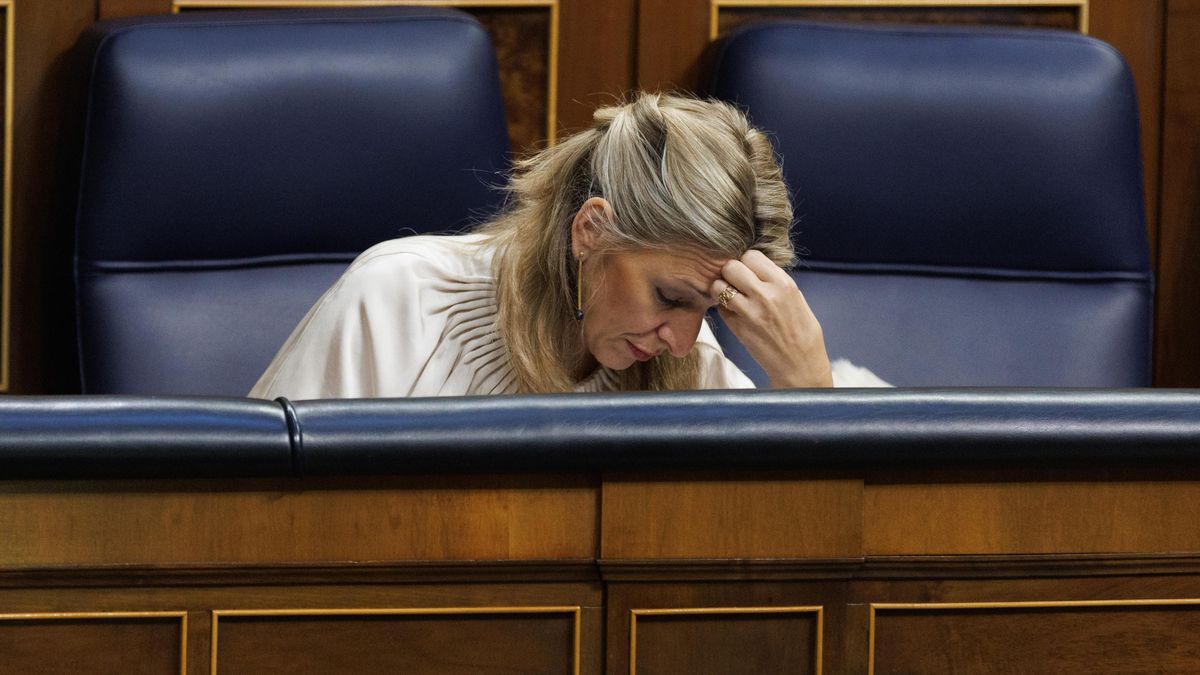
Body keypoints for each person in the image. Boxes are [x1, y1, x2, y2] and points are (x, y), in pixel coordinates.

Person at [250, 92, 886, 399]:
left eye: (707, 310)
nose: (685, 339)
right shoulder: (396, 302)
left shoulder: (681, 366)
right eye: (669, 296)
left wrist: (807, 383)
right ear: (592, 229)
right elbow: (251, 518)